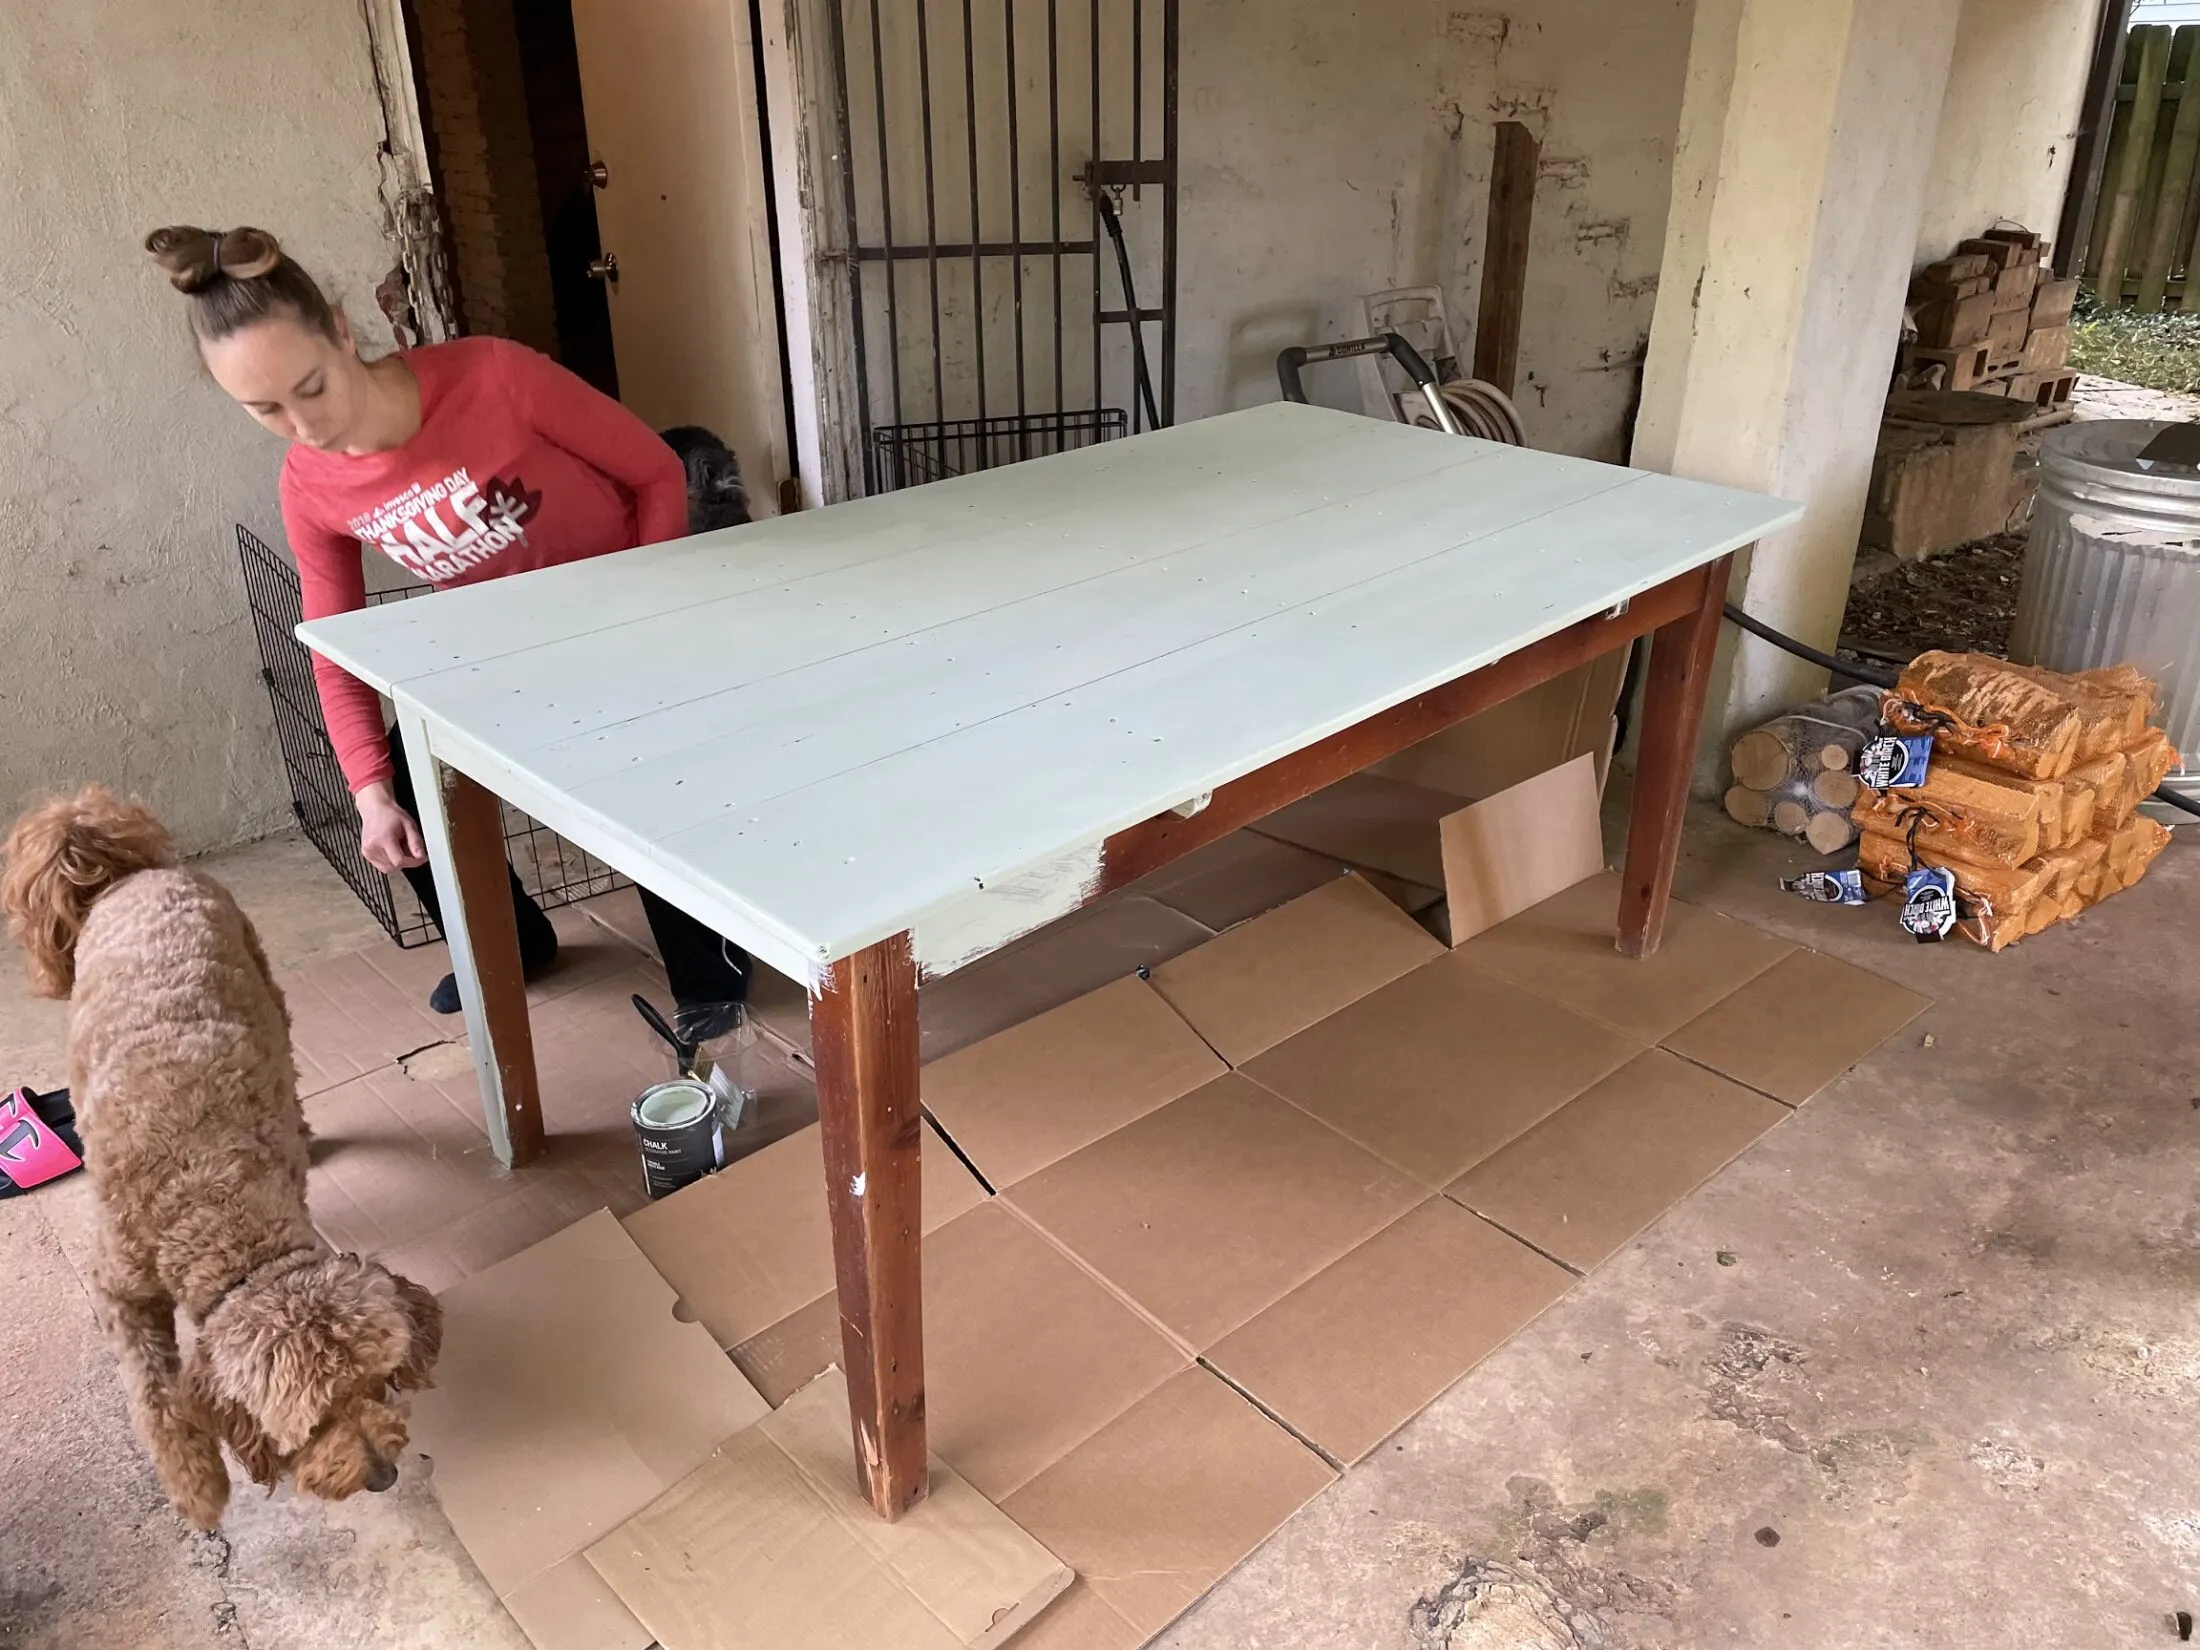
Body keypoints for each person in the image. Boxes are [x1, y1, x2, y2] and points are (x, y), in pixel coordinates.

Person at [144, 224, 749, 1018]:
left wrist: (646, 615)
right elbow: (334, 650)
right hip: (500, 648)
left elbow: (656, 473)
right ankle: (509, 945)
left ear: (340, 331)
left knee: (641, 777)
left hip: (623, 616)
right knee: (402, 779)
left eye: (312, 387)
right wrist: (368, 794)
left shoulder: (493, 376)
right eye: (266, 410)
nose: (305, 426)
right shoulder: (309, 487)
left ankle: (710, 977)